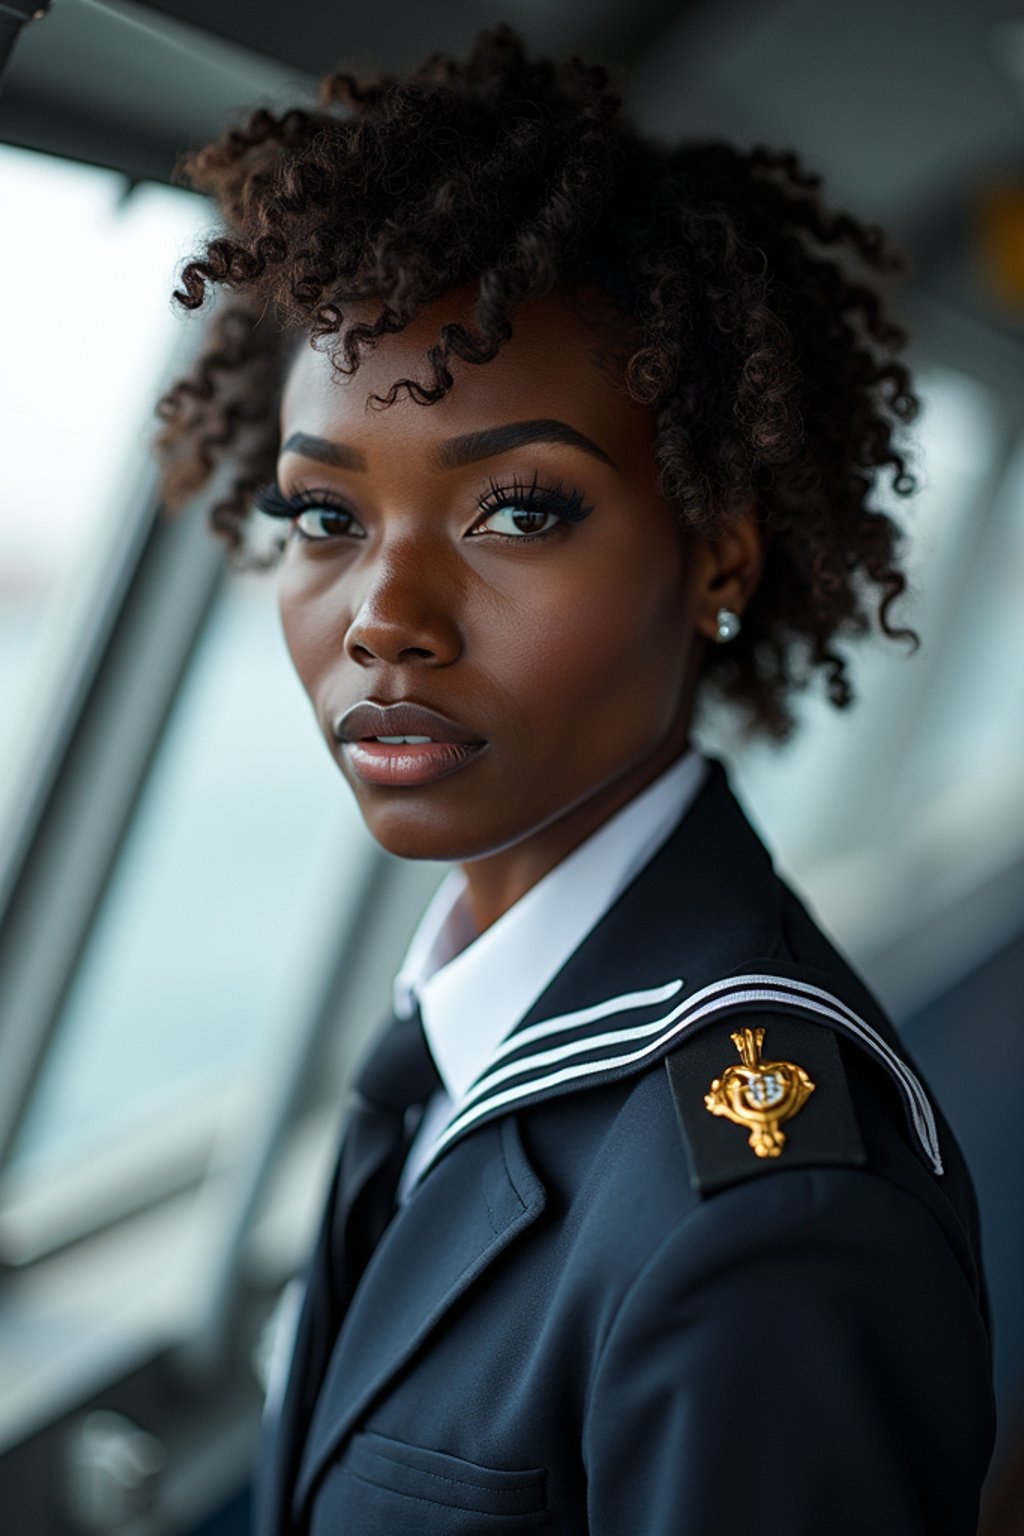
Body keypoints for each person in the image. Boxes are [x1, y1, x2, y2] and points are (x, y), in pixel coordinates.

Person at [151, 22, 996, 1534]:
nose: (385, 619)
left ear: (720, 551)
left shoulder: (765, 1220)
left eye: (520, 510)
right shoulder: (474, 1028)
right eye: (325, 517)